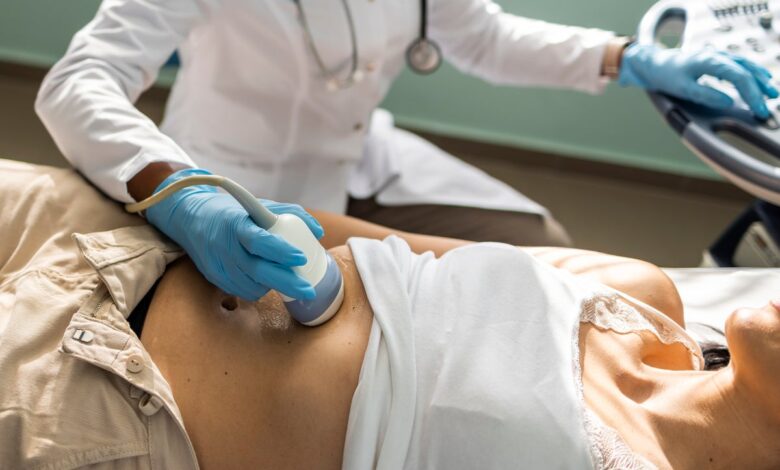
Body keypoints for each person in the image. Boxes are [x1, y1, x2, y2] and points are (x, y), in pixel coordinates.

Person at [2, 159, 779, 469]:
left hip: (84, 403)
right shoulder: (641, 295)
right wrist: (196, 202)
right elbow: (368, 240)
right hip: (116, 241)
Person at [34, 0, 780, 303]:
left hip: (365, 153)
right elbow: (77, 81)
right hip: (237, 182)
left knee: (542, 246)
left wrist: (626, 58)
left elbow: (483, 36)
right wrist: (180, 191)